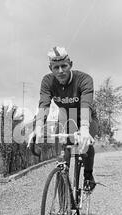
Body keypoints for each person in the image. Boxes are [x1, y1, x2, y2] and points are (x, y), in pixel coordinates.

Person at [28, 46, 98, 190]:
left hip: (87, 116)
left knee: (86, 145)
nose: (60, 71)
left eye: (64, 66)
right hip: (67, 116)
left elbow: (86, 104)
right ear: (50, 68)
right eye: (56, 67)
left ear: (70, 65)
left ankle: (88, 175)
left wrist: (84, 129)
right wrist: (38, 128)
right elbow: (44, 104)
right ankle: (64, 188)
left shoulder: (84, 79)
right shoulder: (47, 81)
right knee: (64, 148)